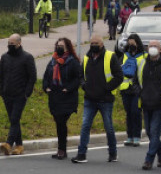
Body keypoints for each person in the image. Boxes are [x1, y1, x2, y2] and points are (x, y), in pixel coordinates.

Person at [71, 35, 124, 164]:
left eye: (96, 43)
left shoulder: (110, 57)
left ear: (102, 44)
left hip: (105, 99)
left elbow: (119, 76)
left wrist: (107, 88)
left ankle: (113, 153)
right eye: (92, 43)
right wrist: (84, 85)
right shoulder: (87, 58)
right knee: (85, 126)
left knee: (108, 127)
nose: (94, 45)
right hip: (90, 99)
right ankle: (81, 154)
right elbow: (81, 75)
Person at [43, 37, 82, 160]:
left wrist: (68, 88)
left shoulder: (72, 61)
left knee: (61, 122)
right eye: (57, 45)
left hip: (67, 97)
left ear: (67, 48)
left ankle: (62, 149)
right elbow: (46, 76)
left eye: (62, 46)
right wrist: (46, 87)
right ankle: (61, 149)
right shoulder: (53, 61)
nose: (59, 48)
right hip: (54, 96)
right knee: (58, 123)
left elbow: (79, 78)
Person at [0, 33, 37, 156]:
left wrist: (27, 93)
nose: (10, 46)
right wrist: (1, 91)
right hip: (7, 94)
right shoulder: (5, 57)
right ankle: (19, 145)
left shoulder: (27, 57)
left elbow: (32, 76)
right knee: (13, 120)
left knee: (15, 118)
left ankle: (9, 143)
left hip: (20, 95)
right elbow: (1, 75)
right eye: (9, 43)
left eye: (12, 44)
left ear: (19, 43)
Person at [138, 40, 161, 170]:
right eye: (150, 46)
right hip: (145, 102)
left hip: (159, 103)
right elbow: (136, 80)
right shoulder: (142, 62)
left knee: (154, 131)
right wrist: (139, 91)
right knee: (149, 131)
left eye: (155, 46)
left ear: (160, 49)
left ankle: (149, 159)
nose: (152, 48)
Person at [118, 34, 147, 147]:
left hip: (137, 89)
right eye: (129, 43)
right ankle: (129, 136)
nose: (131, 45)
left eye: (133, 43)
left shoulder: (144, 56)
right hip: (126, 88)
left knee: (136, 112)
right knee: (128, 113)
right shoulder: (125, 56)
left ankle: (136, 136)